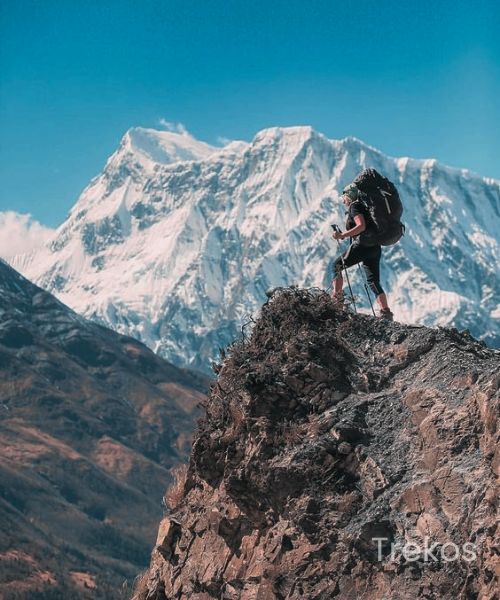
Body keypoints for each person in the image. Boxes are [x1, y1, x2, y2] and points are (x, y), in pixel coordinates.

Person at [331, 183, 394, 320]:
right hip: (375, 247)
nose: (343, 201)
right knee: (373, 281)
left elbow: (361, 226)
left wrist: (342, 235)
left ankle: (336, 304)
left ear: (349, 196)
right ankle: (386, 312)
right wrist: (346, 234)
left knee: (337, 266)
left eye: (344, 198)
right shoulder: (366, 207)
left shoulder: (355, 206)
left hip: (363, 245)